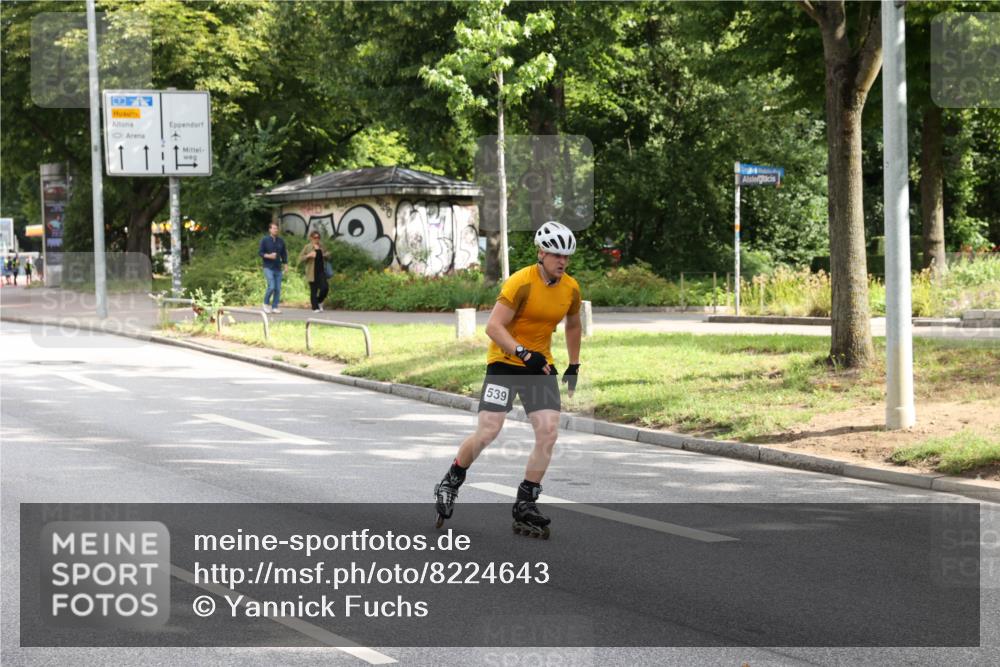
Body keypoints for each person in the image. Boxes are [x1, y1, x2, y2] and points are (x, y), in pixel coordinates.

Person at [434, 221, 583, 538]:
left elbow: (573, 325)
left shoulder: (570, 288)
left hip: (539, 367)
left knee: (548, 431)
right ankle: (453, 478)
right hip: (504, 362)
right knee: (489, 430)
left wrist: (574, 364)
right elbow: (493, 327)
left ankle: (526, 501)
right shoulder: (520, 283)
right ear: (541, 252)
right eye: (556, 254)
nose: (562, 261)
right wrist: (523, 352)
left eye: (566, 256)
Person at [258, 222, 288, 313]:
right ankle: (265, 304)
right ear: (270, 230)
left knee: (278, 288)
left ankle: (275, 307)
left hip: (278, 268)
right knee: (271, 287)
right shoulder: (265, 240)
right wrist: (268, 256)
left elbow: (284, 254)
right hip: (268, 267)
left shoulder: (281, 241)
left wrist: (285, 265)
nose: (276, 230)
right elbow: (260, 253)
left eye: (277, 228)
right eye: (274, 228)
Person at [298, 230, 329, 312]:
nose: (317, 239)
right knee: (314, 290)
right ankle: (315, 307)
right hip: (311, 272)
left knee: (325, 288)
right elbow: (300, 258)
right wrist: (308, 255)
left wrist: (325, 255)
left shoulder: (322, 246)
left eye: (318, 237)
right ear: (311, 238)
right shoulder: (307, 247)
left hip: (321, 271)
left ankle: (319, 301)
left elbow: (328, 255)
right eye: (315, 237)